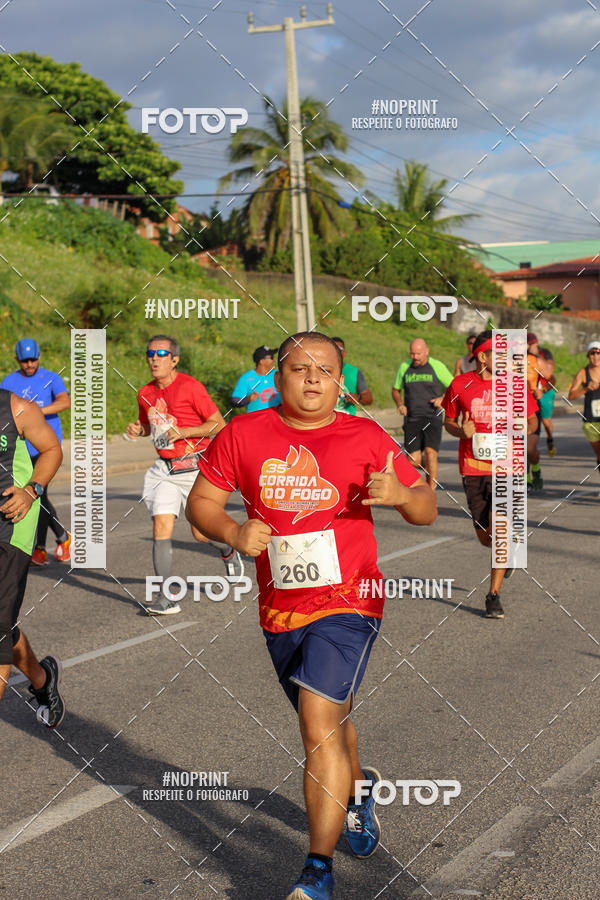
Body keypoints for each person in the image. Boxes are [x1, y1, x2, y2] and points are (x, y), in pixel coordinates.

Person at [186, 332, 437, 900]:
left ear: (340, 380)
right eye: (300, 368)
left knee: (316, 719)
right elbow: (199, 502)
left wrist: (400, 493)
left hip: (351, 600)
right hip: (280, 608)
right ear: (277, 377)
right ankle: (359, 788)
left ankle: (316, 871)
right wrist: (231, 529)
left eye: (325, 369)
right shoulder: (243, 433)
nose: (313, 378)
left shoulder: (365, 433)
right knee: (327, 719)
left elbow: (426, 508)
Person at [125, 334, 243, 615]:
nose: (154, 358)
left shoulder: (191, 387)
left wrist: (185, 433)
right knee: (160, 527)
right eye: (150, 353)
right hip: (164, 469)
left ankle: (228, 550)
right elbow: (148, 425)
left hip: (195, 468)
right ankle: (166, 598)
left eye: (161, 354)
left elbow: (218, 425)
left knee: (201, 534)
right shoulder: (145, 392)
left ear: (174, 359)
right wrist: (137, 430)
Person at [442, 330, 538, 619]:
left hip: (508, 468)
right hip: (473, 468)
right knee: (486, 537)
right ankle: (505, 552)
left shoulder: (515, 384)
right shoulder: (460, 384)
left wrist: (525, 427)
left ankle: (493, 595)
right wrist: (461, 431)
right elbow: (448, 420)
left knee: (500, 531)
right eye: (498, 354)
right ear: (482, 357)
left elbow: (532, 420)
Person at [0, 387, 65, 726]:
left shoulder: (17, 408)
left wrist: (31, 489)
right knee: (3, 624)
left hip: (13, 526)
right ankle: (42, 680)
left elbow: (52, 449)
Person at [1, 338, 71, 565]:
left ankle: (40, 547)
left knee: (37, 495)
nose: (29, 364)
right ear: (17, 360)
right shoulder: (9, 381)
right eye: (24, 360)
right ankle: (60, 538)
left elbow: (64, 402)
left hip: (45, 448)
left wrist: (35, 411)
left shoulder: (51, 378)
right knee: (29, 496)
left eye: (33, 359)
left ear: (39, 356)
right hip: (19, 452)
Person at [392, 338, 453, 490]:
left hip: (433, 416)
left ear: (427, 351)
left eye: (418, 353)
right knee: (413, 460)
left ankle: (430, 490)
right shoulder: (404, 367)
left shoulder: (437, 366)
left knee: (431, 454)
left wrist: (443, 399)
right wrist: (400, 404)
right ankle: (431, 470)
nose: (415, 357)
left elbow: (454, 386)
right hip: (412, 418)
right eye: (412, 354)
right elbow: (395, 389)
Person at [526, 333, 553, 491]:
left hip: (532, 408)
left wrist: (542, 390)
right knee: (517, 449)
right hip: (513, 410)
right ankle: (525, 480)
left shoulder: (536, 360)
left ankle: (535, 469)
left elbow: (551, 378)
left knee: (530, 449)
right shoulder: (505, 362)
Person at [567, 340, 600, 470]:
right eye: (592, 353)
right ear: (588, 355)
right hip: (591, 421)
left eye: (598, 353)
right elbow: (571, 396)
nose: (596, 357)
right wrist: (585, 389)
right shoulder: (583, 373)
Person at [231, 345, 281, 412]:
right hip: (255, 420)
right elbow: (235, 401)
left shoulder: (279, 375)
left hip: (277, 419)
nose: (274, 359)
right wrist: (248, 399)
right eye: (271, 357)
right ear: (262, 361)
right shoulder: (246, 378)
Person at [331, 337, 373, 415]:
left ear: (344, 353)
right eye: (332, 349)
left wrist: (358, 397)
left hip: (347, 419)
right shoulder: (319, 371)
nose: (335, 352)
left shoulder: (354, 372)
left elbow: (369, 399)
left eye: (339, 349)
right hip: (326, 420)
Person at [536, 344, 557, 456]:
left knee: (545, 421)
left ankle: (550, 439)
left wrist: (541, 365)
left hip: (545, 391)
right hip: (531, 393)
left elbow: (551, 370)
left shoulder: (544, 353)